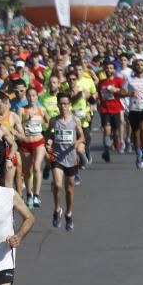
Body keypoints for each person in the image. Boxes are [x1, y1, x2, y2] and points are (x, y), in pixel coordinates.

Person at [46, 94, 84, 232]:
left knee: (69, 189)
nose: (63, 106)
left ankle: (68, 213)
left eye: (65, 104)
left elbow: (82, 136)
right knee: (57, 184)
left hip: (71, 158)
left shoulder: (75, 120)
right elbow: (49, 135)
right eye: (60, 104)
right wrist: (48, 144)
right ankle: (57, 210)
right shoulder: (54, 121)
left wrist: (77, 142)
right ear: (57, 105)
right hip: (57, 157)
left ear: (69, 105)